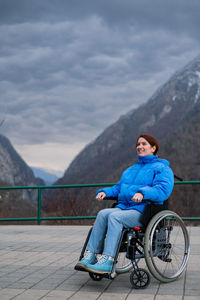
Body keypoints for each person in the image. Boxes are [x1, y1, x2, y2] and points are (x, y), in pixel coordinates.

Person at [75, 134, 174, 274]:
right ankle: (90, 255)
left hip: (145, 210)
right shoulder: (130, 170)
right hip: (126, 208)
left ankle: (108, 260)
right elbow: (118, 188)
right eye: (138, 144)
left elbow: (163, 190)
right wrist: (105, 192)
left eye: (144, 144)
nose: (140, 146)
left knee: (115, 217)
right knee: (102, 214)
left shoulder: (162, 168)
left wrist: (143, 193)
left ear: (153, 148)